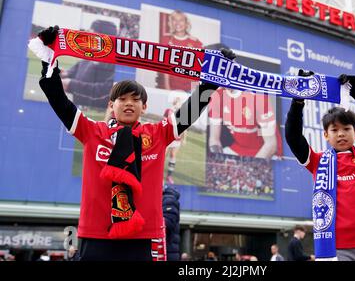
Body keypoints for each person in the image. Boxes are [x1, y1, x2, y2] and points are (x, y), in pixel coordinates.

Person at [37, 26, 222, 261]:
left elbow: (190, 110)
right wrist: (47, 60)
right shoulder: (92, 131)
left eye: (136, 99)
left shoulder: (158, 134)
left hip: (140, 235)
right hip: (96, 233)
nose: (129, 104)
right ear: (111, 105)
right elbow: (59, 101)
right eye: (122, 99)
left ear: (144, 107)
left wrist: (211, 81)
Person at [285, 71, 355, 261]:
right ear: (326, 136)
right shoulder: (317, 161)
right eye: (334, 130)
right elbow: (293, 136)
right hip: (337, 249)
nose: (341, 134)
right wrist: (298, 101)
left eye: (346, 129)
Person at [208, 87, 282, 159]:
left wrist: (251, 165)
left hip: (266, 151)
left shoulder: (259, 96)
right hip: (239, 148)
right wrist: (217, 158)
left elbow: (271, 145)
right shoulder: (217, 95)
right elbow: (214, 139)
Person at [60, 20, 118, 109]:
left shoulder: (114, 61)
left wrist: (70, 84)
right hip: (76, 106)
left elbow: (106, 89)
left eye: (91, 34)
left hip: (93, 112)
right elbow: (78, 68)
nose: (87, 37)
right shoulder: (91, 52)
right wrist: (65, 73)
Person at [159, 10, 203, 92]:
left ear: (186, 23)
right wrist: (167, 88)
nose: (177, 23)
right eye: (175, 20)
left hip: (190, 89)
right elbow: (165, 67)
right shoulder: (166, 40)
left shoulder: (196, 42)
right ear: (171, 23)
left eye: (181, 20)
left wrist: (195, 91)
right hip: (172, 88)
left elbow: (198, 69)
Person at [164, 96, 187, 185]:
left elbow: (185, 128)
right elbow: (163, 122)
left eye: (180, 102)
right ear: (174, 103)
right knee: (163, 156)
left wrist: (184, 139)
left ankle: (169, 176)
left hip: (177, 139)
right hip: (167, 138)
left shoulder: (183, 114)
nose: (179, 104)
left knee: (173, 156)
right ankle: (158, 173)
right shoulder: (168, 111)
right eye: (178, 102)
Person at [163, 185, 181, 261]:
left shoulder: (169, 200)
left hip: (168, 251)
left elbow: (168, 223)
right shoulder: (168, 199)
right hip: (169, 250)